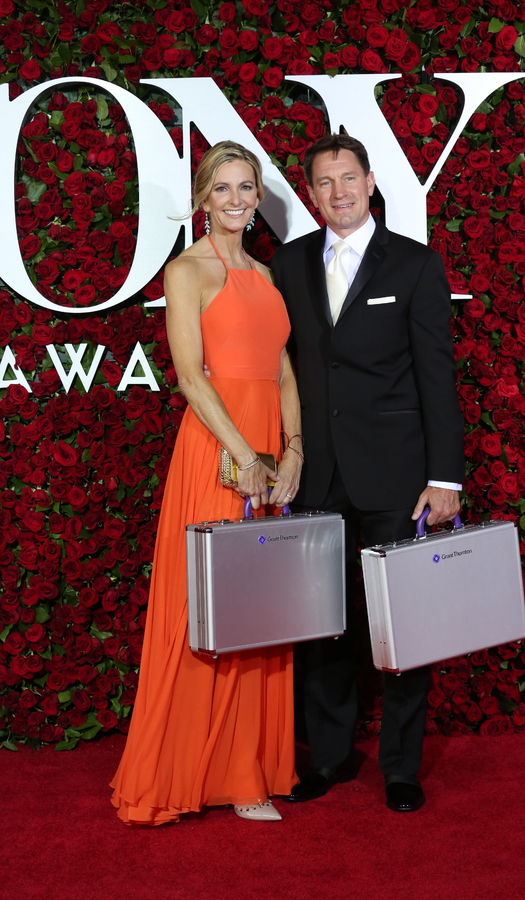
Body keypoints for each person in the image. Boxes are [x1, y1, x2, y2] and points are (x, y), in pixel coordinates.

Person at [110, 141, 303, 824]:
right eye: (221, 188)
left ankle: (248, 768)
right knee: (208, 609)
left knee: (261, 608)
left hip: (269, 451)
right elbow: (191, 377)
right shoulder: (187, 270)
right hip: (216, 452)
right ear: (201, 197)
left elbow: (282, 371)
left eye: (245, 187)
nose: (235, 199)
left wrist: (294, 450)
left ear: (257, 196)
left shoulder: (267, 274)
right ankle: (189, 772)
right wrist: (245, 454)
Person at [271, 133, 464, 813]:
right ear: (312, 192)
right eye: (324, 183)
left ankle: (402, 767)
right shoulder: (289, 265)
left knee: (403, 628)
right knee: (321, 626)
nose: (338, 194)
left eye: (348, 179)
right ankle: (327, 759)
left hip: (398, 478)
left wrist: (446, 477)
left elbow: (437, 378)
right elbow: (282, 370)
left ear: (371, 180)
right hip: (318, 476)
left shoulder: (413, 265)